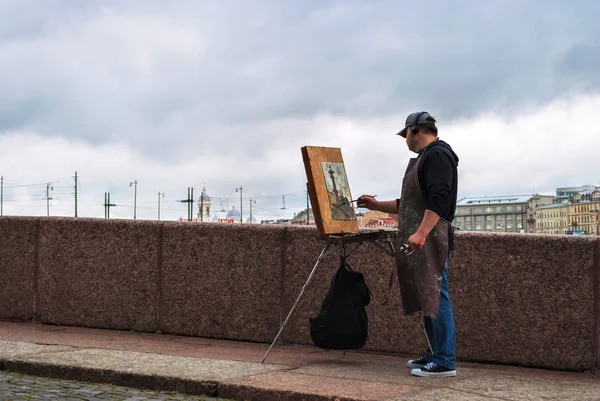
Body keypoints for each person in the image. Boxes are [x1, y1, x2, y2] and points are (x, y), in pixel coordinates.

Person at [357, 111, 459, 378]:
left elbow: (439, 198)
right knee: (427, 296)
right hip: (423, 235)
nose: (405, 141)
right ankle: (434, 352)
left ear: (416, 130)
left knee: (437, 295)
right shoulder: (426, 157)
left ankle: (445, 361)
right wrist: (376, 205)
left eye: (406, 135)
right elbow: (409, 205)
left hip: (431, 236)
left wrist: (422, 232)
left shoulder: (437, 154)